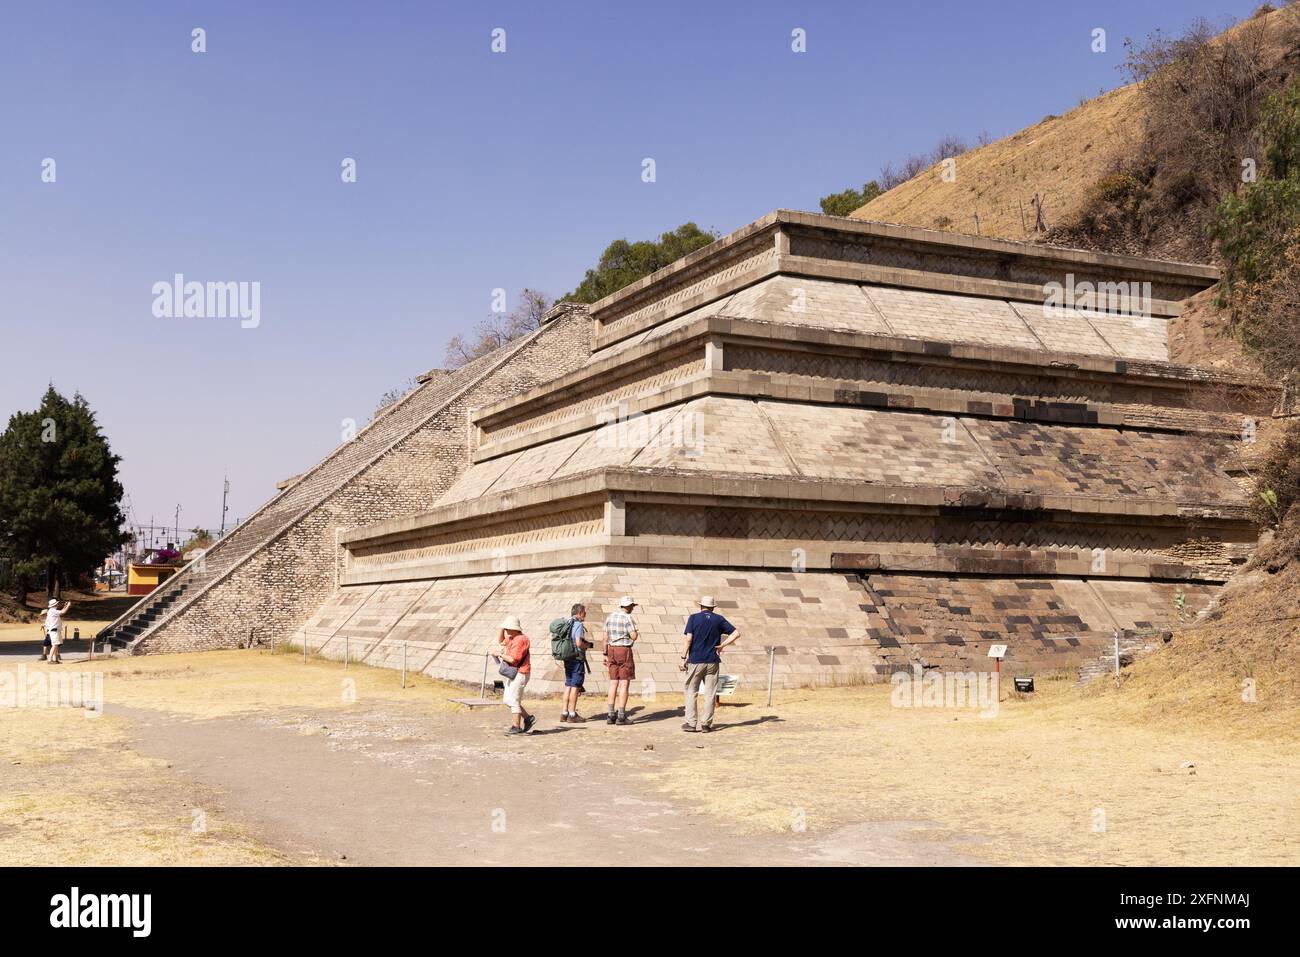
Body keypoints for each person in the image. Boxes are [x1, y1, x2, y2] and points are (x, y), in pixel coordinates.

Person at [679, 596, 739, 733]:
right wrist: (722, 645)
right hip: (712, 660)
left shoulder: (693, 618)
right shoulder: (718, 619)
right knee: (710, 693)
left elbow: (688, 639)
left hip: (695, 660)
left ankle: (691, 723)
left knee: (691, 692)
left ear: (701, 606)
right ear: (713, 607)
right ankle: (706, 724)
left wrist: (683, 657)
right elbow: (736, 633)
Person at [494, 615, 535, 735]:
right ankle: (527, 718)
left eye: (507, 628)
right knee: (508, 700)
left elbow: (513, 659)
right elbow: (501, 641)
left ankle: (516, 726)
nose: (506, 631)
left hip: (520, 672)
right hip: (514, 673)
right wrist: (501, 628)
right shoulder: (512, 637)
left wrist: (500, 655)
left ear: (514, 628)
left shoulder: (521, 639)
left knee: (514, 700)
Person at [602, 596, 639, 725]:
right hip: (624, 650)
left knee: (613, 683)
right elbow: (634, 636)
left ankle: (610, 714)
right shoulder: (627, 618)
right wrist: (634, 633)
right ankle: (621, 715)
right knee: (624, 683)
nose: (633, 608)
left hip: (611, 650)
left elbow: (605, 638)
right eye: (632, 606)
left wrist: (605, 654)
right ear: (628, 606)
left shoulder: (610, 617)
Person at [561, 603, 593, 723]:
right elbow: (579, 643)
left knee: (568, 684)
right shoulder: (578, 625)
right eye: (584, 612)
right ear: (580, 613)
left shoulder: (568, 623)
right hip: (577, 658)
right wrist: (587, 645)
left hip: (567, 657)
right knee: (576, 686)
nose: (585, 615)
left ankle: (564, 713)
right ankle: (572, 714)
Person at [44, 598, 72, 665]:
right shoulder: (52, 611)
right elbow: (63, 612)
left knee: (56, 645)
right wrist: (68, 606)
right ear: (54, 605)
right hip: (54, 631)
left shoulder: (52, 611)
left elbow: (61, 611)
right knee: (54, 645)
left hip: (55, 630)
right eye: (56, 604)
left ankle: (55, 659)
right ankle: (50, 659)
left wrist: (65, 606)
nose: (57, 604)